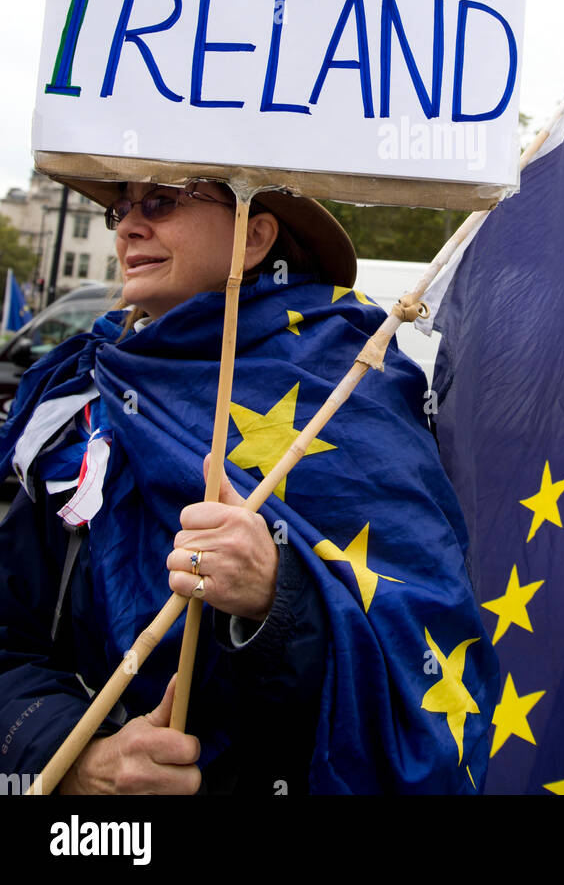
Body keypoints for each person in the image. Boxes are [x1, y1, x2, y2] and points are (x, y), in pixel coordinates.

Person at [0, 179, 498, 795]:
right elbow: (9, 636)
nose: (128, 227)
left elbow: (430, 651)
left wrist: (278, 598)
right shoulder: (89, 401)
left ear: (255, 235)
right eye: (118, 210)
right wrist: (79, 760)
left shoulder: (357, 386)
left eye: (159, 202)